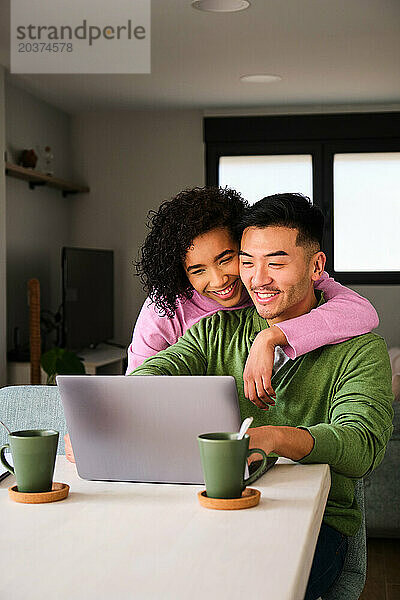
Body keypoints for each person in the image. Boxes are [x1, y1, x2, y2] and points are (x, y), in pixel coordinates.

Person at [130, 193, 394, 600]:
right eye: (249, 262)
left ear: (316, 266)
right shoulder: (216, 330)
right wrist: (109, 412)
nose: (257, 279)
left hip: (314, 524)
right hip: (214, 508)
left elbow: (362, 446)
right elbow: (157, 370)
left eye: (276, 262)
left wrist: (271, 438)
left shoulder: (361, 350)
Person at [127, 186, 378, 404]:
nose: (219, 280)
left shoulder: (274, 282)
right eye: (198, 270)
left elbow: (360, 312)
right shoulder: (166, 307)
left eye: (226, 259)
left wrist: (270, 337)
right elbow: (137, 385)